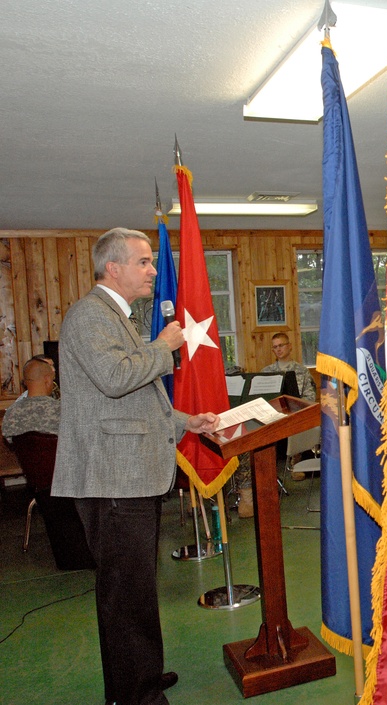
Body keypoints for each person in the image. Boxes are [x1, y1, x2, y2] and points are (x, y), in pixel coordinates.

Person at [50, 228, 220, 705]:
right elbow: (116, 378)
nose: (152, 271)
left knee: (135, 593)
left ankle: (139, 676)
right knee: (126, 598)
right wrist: (165, 346)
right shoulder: (90, 315)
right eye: (144, 262)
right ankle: (135, 695)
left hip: (126, 475)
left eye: (151, 262)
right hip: (112, 479)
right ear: (113, 268)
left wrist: (191, 421)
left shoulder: (116, 318)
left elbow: (138, 403)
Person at [2, 358, 60, 440]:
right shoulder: (61, 411)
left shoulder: (11, 412)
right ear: (47, 380)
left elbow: (9, 442)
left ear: (25, 382)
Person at [262, 332, 317, 402]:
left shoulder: (302, 371)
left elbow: (310, 397)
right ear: (273, 350)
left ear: (289, 346)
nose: (278, 349)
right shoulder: (266, 372)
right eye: (275, 347)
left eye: (281, 345)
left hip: (297, 410)